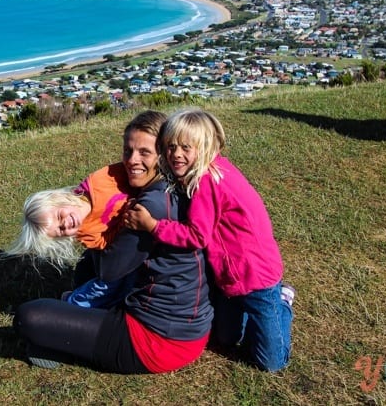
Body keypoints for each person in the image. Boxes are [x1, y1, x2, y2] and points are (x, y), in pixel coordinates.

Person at [13, 111, 214, 374]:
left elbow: (109, 269)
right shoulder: (165, 188)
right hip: (184, 324)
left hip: (156, 341)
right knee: (86, 267)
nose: (132, 161)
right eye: (128, 150)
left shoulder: (148, 208)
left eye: (144, 152)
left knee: (29, 317)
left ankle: (57, 342)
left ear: (165, 153)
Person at [124, 108, 294, 373]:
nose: (176, 154)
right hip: (230, 278)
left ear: (204, 147)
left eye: (185, 147)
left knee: (271, 362)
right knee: (226, 339)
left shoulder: (206, 183)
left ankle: (283, 301)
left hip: (257, 279)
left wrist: (154, 225)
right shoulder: (213, 168)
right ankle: (252, 316)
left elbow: (196, 236)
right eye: (170, 147)